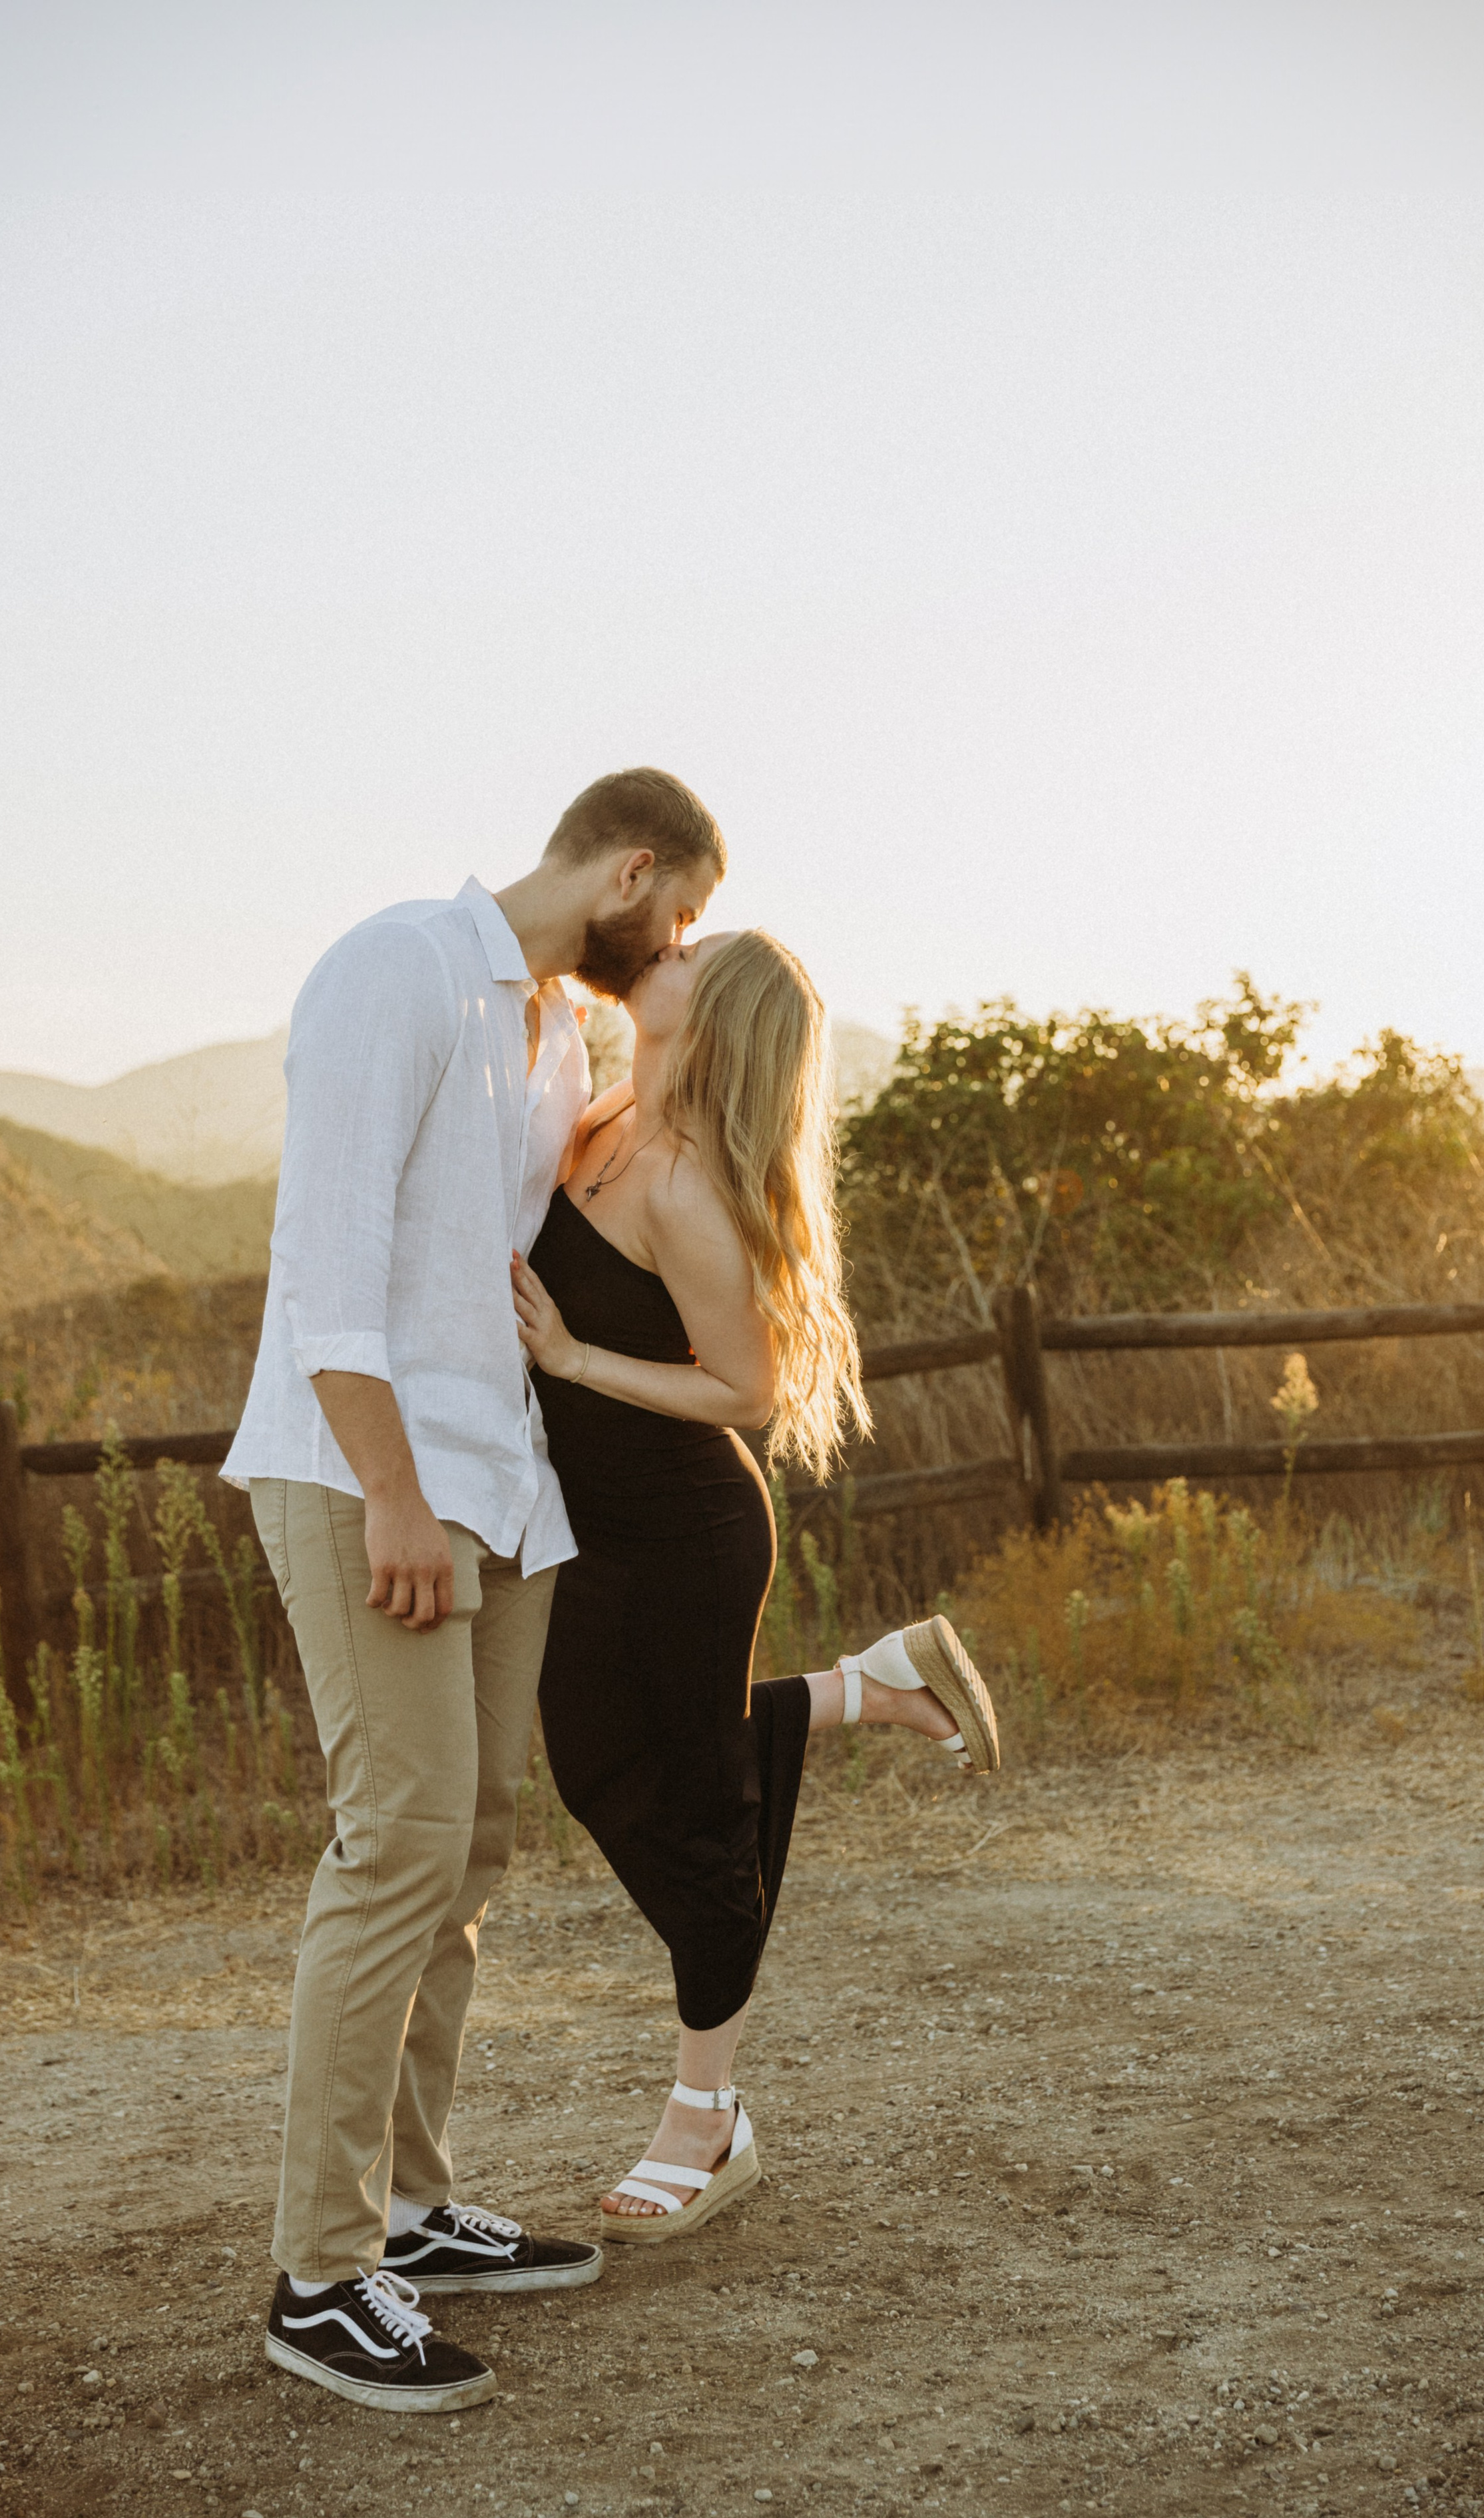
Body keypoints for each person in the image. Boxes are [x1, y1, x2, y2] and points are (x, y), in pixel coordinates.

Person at [223, 768, 726, 2409]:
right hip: (366, 1472)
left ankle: (415, 2203)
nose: (674, 949)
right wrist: (389, 1491)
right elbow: (327, 1258)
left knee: (471, 1846)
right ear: (633, 868)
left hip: (498, 1477)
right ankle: (321, 2273)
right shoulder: (399, 968)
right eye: (683, 920)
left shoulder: (556, 1038)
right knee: (397, 1851)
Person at [511, 929, 1001, 2244]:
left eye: (688, 950)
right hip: (595, 1526)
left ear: (712, 1009)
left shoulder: (677, 1180)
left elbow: (748, 1391)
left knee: (697, 1816)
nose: (658, 949)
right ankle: (871, 1684)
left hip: (682, 1533)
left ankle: (705, 2119)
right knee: (602, 1766)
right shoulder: (608, 1111)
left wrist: (569, 1364)